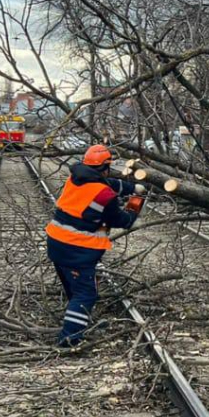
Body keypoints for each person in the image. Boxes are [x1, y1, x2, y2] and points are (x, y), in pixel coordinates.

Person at [45, 144, 144, 347]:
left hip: (56, 242)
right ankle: (69, 341)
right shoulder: (103, 194)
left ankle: (78, 324)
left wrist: (132, 187)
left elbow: (108, 184)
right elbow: (121, 220)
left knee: (75, 290)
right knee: (85, 294)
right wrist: (136, 203)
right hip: (76, 249)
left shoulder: (76, 178)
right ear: (106, 166)